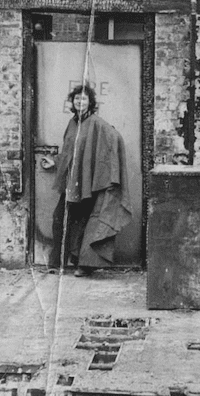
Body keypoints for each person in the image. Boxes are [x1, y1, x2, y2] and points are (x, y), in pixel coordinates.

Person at [41, 84, 132, 277]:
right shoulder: (72, 124)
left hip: (88, 183)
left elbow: (114, 138)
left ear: (90, 102)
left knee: (83, 223)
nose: (79, 102)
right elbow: (69, 152)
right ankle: (56, 263)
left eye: (83, 99)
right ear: (72, 103)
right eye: (76, 99)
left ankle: (84, 266)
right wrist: (55, 161)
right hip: (71, 183)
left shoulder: (97, 123)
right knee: (60, 220)